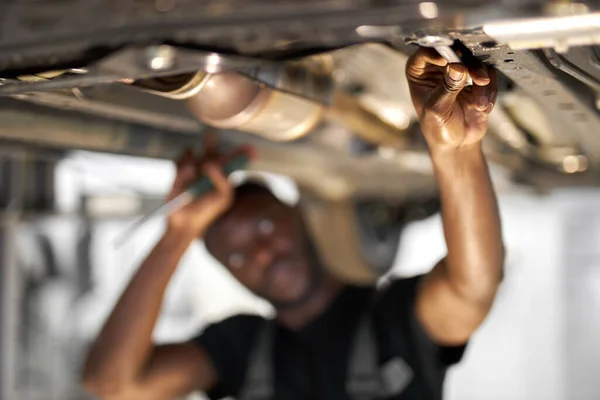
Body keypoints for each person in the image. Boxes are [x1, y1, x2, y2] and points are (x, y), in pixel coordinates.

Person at [82, 47, 503, 400]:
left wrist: (456, 155)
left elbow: (471, 290)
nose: (261, 254)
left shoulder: (389, 319)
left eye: (265, 228)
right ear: (231, 276)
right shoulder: (238, 348)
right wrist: (178, 235)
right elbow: (113, 385)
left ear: (298, 214)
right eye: (238, 254)